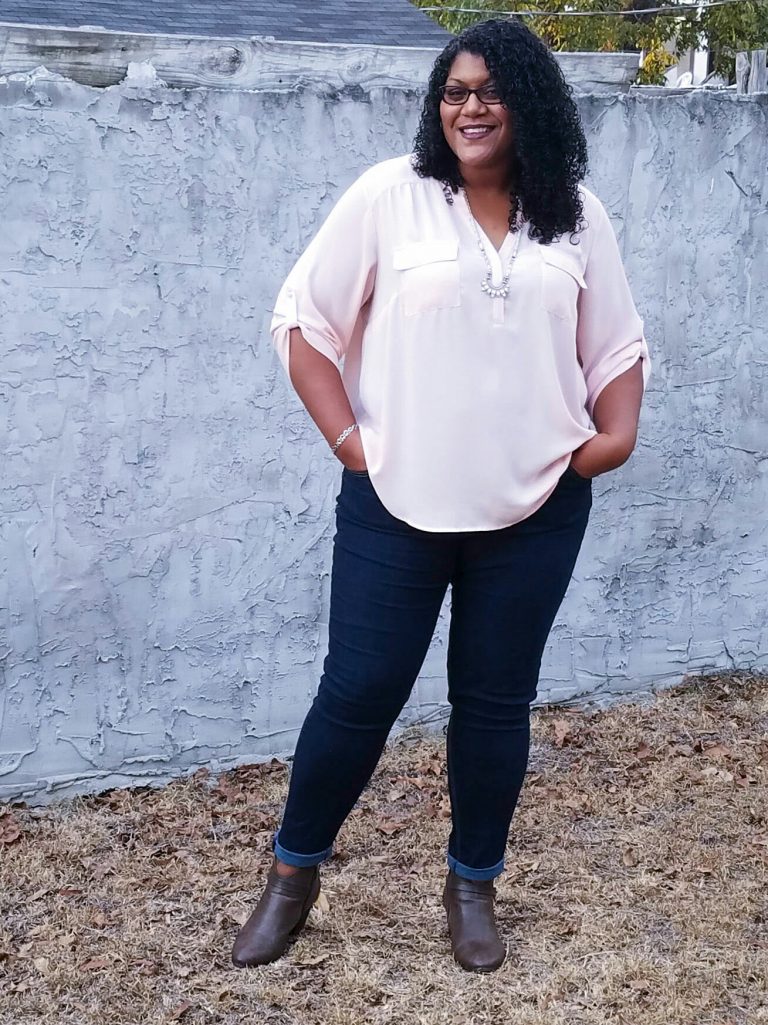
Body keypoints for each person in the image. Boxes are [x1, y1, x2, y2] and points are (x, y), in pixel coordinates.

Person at [232, 17, 650, 973]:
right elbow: (305, 323)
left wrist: (611, 440)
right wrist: (351, 442)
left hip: (538, 505)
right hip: (397, 502)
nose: (469, 107)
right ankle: (293, 876)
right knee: (359, 691)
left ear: (529, 101)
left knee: (495, 704)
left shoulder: (575, 214)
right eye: (454, 92)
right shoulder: (391, 196)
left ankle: (473, 885)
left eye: (489, 90)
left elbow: (617, 343)